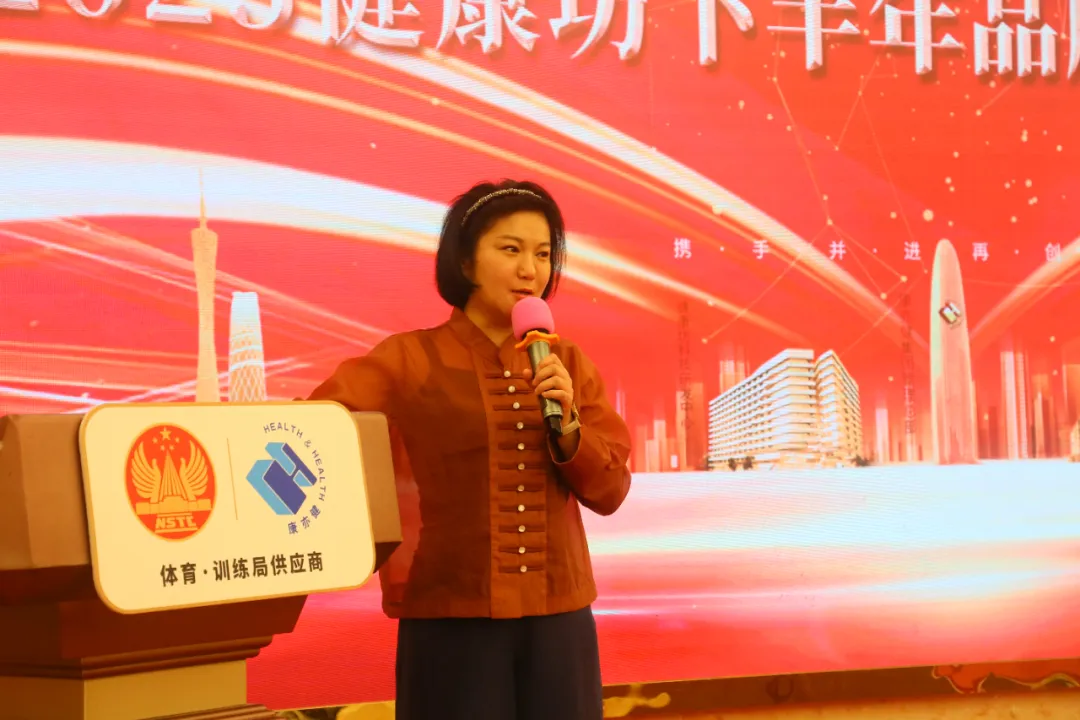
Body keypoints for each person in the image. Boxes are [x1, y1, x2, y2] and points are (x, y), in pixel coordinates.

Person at [308, 179, 632, 720]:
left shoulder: (567, 363)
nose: (530, 270)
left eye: (543, 254)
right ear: (464, 263)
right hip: (452, 615)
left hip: (558, 615)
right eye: (511, 249)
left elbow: (611, 489)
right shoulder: (410, 359)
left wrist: (568, 426)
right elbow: (315, 427)